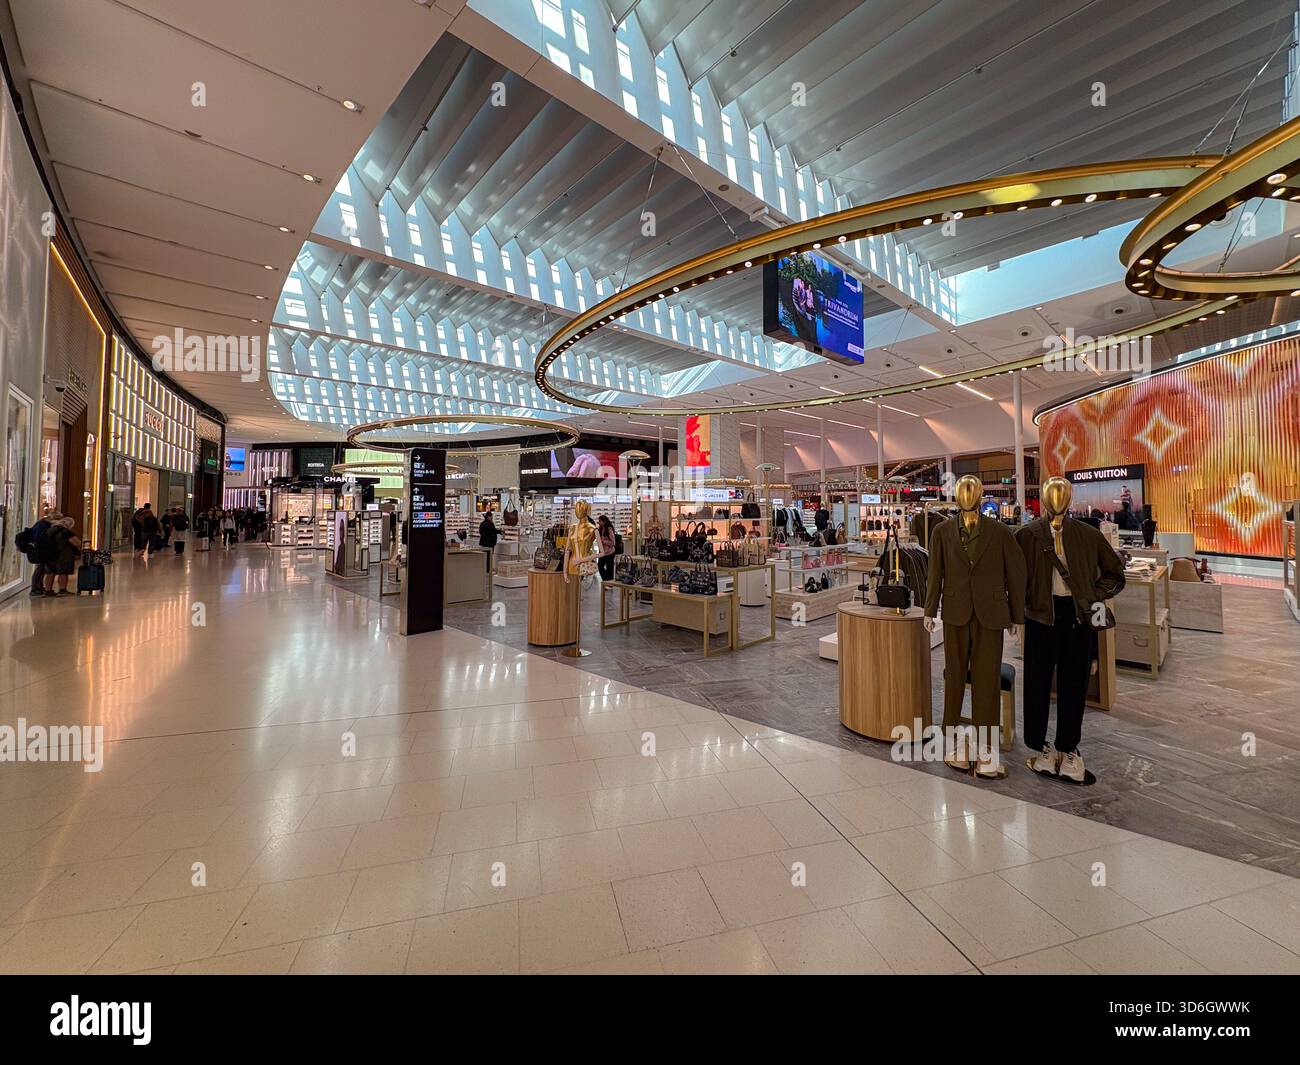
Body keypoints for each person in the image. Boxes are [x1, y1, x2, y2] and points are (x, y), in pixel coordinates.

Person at [16, 510, 58, 595]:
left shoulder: (42, 524)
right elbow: (38, 538)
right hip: (38, 550)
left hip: (38, 549)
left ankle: (39, 587)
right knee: (39, 569)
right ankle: (35, 589)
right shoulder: (42, 525)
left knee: (41, 569)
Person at [38, 516, 81, 596]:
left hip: (49, 555)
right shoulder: (65, 532)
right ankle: (62, 590)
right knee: (63, 573)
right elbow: (77, 543)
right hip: (63, 555)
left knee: (50, 573)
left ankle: (48, 590)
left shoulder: (48, 531)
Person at [596, 513, 617, 581]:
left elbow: (613, 542)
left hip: (610, 552)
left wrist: (604, 541)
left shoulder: (609, 530)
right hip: (603, 552)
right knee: (600, 566)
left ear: (604, 522)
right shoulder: (600, 529)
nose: (599, 522)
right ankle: (606, 581)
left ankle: (609, 583)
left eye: (600, 521)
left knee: (609, 568)